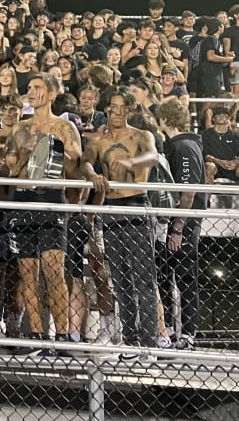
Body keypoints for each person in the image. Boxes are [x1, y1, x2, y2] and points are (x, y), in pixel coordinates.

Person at [0, 73, 85, 354]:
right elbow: (11, 169)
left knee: (54, 271)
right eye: (30, 88)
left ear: (51, 94)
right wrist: (15, 160)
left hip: (50, 200)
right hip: (23, 201)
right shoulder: (20, 128)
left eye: (37, 88)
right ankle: (36, 335)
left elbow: (76, 161)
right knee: (28, 274)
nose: (31, 92)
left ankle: (62, 337)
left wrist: (54, 146)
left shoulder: (65, 126)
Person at [84, 87, 162, 350]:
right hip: (111, 210)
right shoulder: (99, 141)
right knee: (121, 281)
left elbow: (153, 157)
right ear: (107, 109)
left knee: (144, 280)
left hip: (136, 206)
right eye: (113, 107)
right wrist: (93, 175)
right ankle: (130, 340)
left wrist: (132, 163)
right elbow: (85, 161)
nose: (116, 112)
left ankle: (149, 343)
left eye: (122, 107)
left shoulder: (141, 135)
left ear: (129, 110)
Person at [156, 100, 204, 350]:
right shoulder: (181, 145)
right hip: (176, 219)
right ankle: (172, 330)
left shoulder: (184, 147)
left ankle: (187, 333)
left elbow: (188, 191)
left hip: (183, 222)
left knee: (184, 276)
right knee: (166, 275)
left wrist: (178, 227)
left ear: (165, 119)